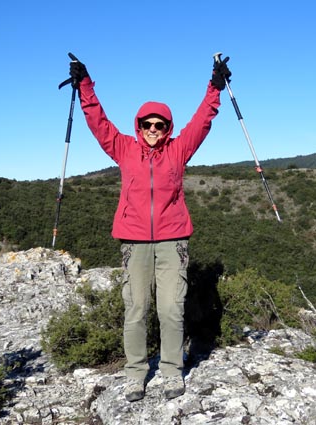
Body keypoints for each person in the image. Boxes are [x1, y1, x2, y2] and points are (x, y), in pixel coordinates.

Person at [68, 55, 231, 402]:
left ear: (167, 127)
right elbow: (98, 122)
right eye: (147, 124)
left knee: (170, 309)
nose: (153, 129)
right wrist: (85, 85)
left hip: (173, 241)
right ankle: (135, 375)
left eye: (160, 124)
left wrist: (214, 88)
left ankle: (171, 371)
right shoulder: (124, 148)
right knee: (136, 310)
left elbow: (202, 121)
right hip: (134, 241)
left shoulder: (178, 150)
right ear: (139, 126)